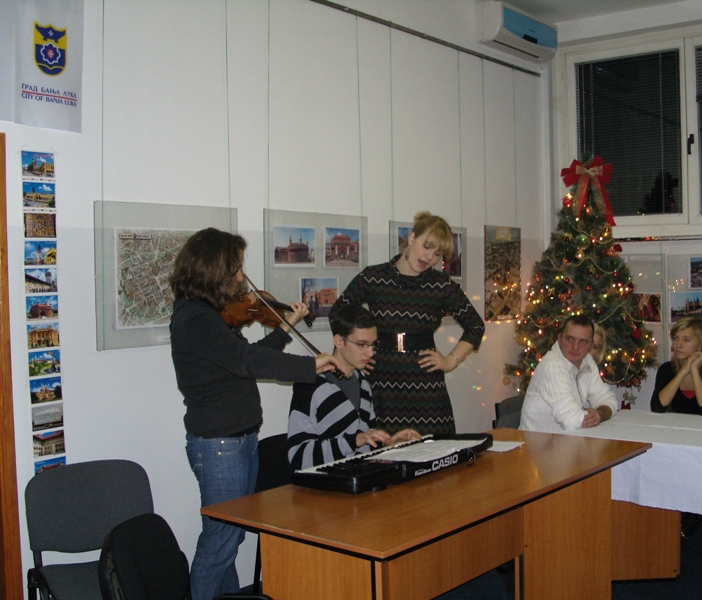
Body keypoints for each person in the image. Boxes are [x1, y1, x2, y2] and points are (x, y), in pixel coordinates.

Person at [169, 227, 340, 600]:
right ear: (213, 269)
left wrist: (285, 328)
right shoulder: (195, 318)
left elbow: (245, 361)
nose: (239, 277)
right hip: (220, 447)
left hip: (238, 442)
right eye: (235, 268)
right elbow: (247, 360)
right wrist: (309, 365)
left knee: (227, 541)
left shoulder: (209, 314)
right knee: (220, 542)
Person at [332, 211, 485, 436]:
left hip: (426, 386)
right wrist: (356, 358)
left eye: (437, 254)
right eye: (426, 246)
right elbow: (338, 314)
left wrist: (449, 362)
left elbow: (476, 327)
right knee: (386, 450)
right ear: (412, 238)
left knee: (435, 452)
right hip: (382, 381)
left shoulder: (441, 285)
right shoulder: (373, 277)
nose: (429, 257)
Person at [287, 304, 420, 469]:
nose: (370, 353)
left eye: (373, 345)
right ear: (339, 341)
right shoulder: (309, 386)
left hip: (359, 476)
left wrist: (390, 444)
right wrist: (353, 441)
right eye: (362, 344)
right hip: (327, 480)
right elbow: (298, 457)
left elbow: (366, 446)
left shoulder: (363, 384)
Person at [519, 315, 617, 433]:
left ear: (591, 345)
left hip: (566, 440)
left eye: (583, 342)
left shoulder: (587, 361)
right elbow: (571, 420)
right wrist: (594, 417)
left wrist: (600, 414)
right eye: (570, 339)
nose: (575, 347)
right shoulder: (552, 366)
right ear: (560, 338)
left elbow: (608, 400)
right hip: (536, 443)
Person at [650, 317, 702, 416]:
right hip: (675, 425)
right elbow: (657, 408)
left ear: (700, 344)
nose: (678, 345)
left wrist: (694, 370)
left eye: (686, 340)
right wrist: (683, 372)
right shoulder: (666, 369)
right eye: (676, 338)